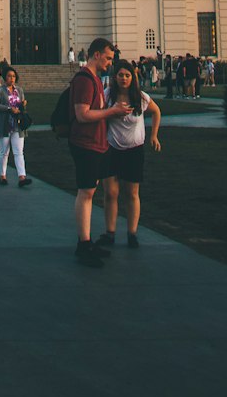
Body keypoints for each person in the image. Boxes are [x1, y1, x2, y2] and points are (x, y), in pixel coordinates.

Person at [69, 37, 132, 268]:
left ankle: (86, 241)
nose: (109, 63)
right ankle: (83, 244)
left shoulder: (95, 79)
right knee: (85, 193)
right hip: (85, 144)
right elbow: (82, 115)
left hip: (95, 144)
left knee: (90, 192)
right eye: (107, 58)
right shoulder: (85, 80)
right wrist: (111, 112)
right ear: (96, 55)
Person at [99, 61, 161, 249]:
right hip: (111, 149)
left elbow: (156, 111)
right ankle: (110, 233)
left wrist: (154, 135)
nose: (124, 78)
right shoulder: (108, 95)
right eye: (120, 75)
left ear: (132, 77)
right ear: (115, 77)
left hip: (134, 151)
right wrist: (112, 112)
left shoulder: (140, 97)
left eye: (127, 75)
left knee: (132, 193)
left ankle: (132, 233)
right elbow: (98, 114)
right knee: (111, 193)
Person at [0, 66, 33, 187]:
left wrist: (22, 104)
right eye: (9, 76)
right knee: (4, 152)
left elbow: (21, 107)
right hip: (4, 124)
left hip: (17, 125)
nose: (12, 78)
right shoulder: (0, 90)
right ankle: (2, 176)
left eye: (14, 76)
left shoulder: (19, 90)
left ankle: (22, 177)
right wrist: (9, 108)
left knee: (19, 151)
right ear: (5, 77)